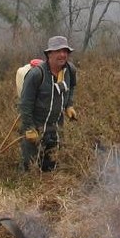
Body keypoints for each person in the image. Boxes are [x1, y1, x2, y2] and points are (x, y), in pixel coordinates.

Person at [18, 35, 78, 171]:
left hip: (56, 127)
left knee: (52, 166)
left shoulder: (70, 71)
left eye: (65, 51)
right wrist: (28, 128)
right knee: (30, 167)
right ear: (49, 54)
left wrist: (69, 105)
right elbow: (24, 104)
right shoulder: (36, 75)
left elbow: (72, 86)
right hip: (36, 127)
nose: (62, 55)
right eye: (58, 51)